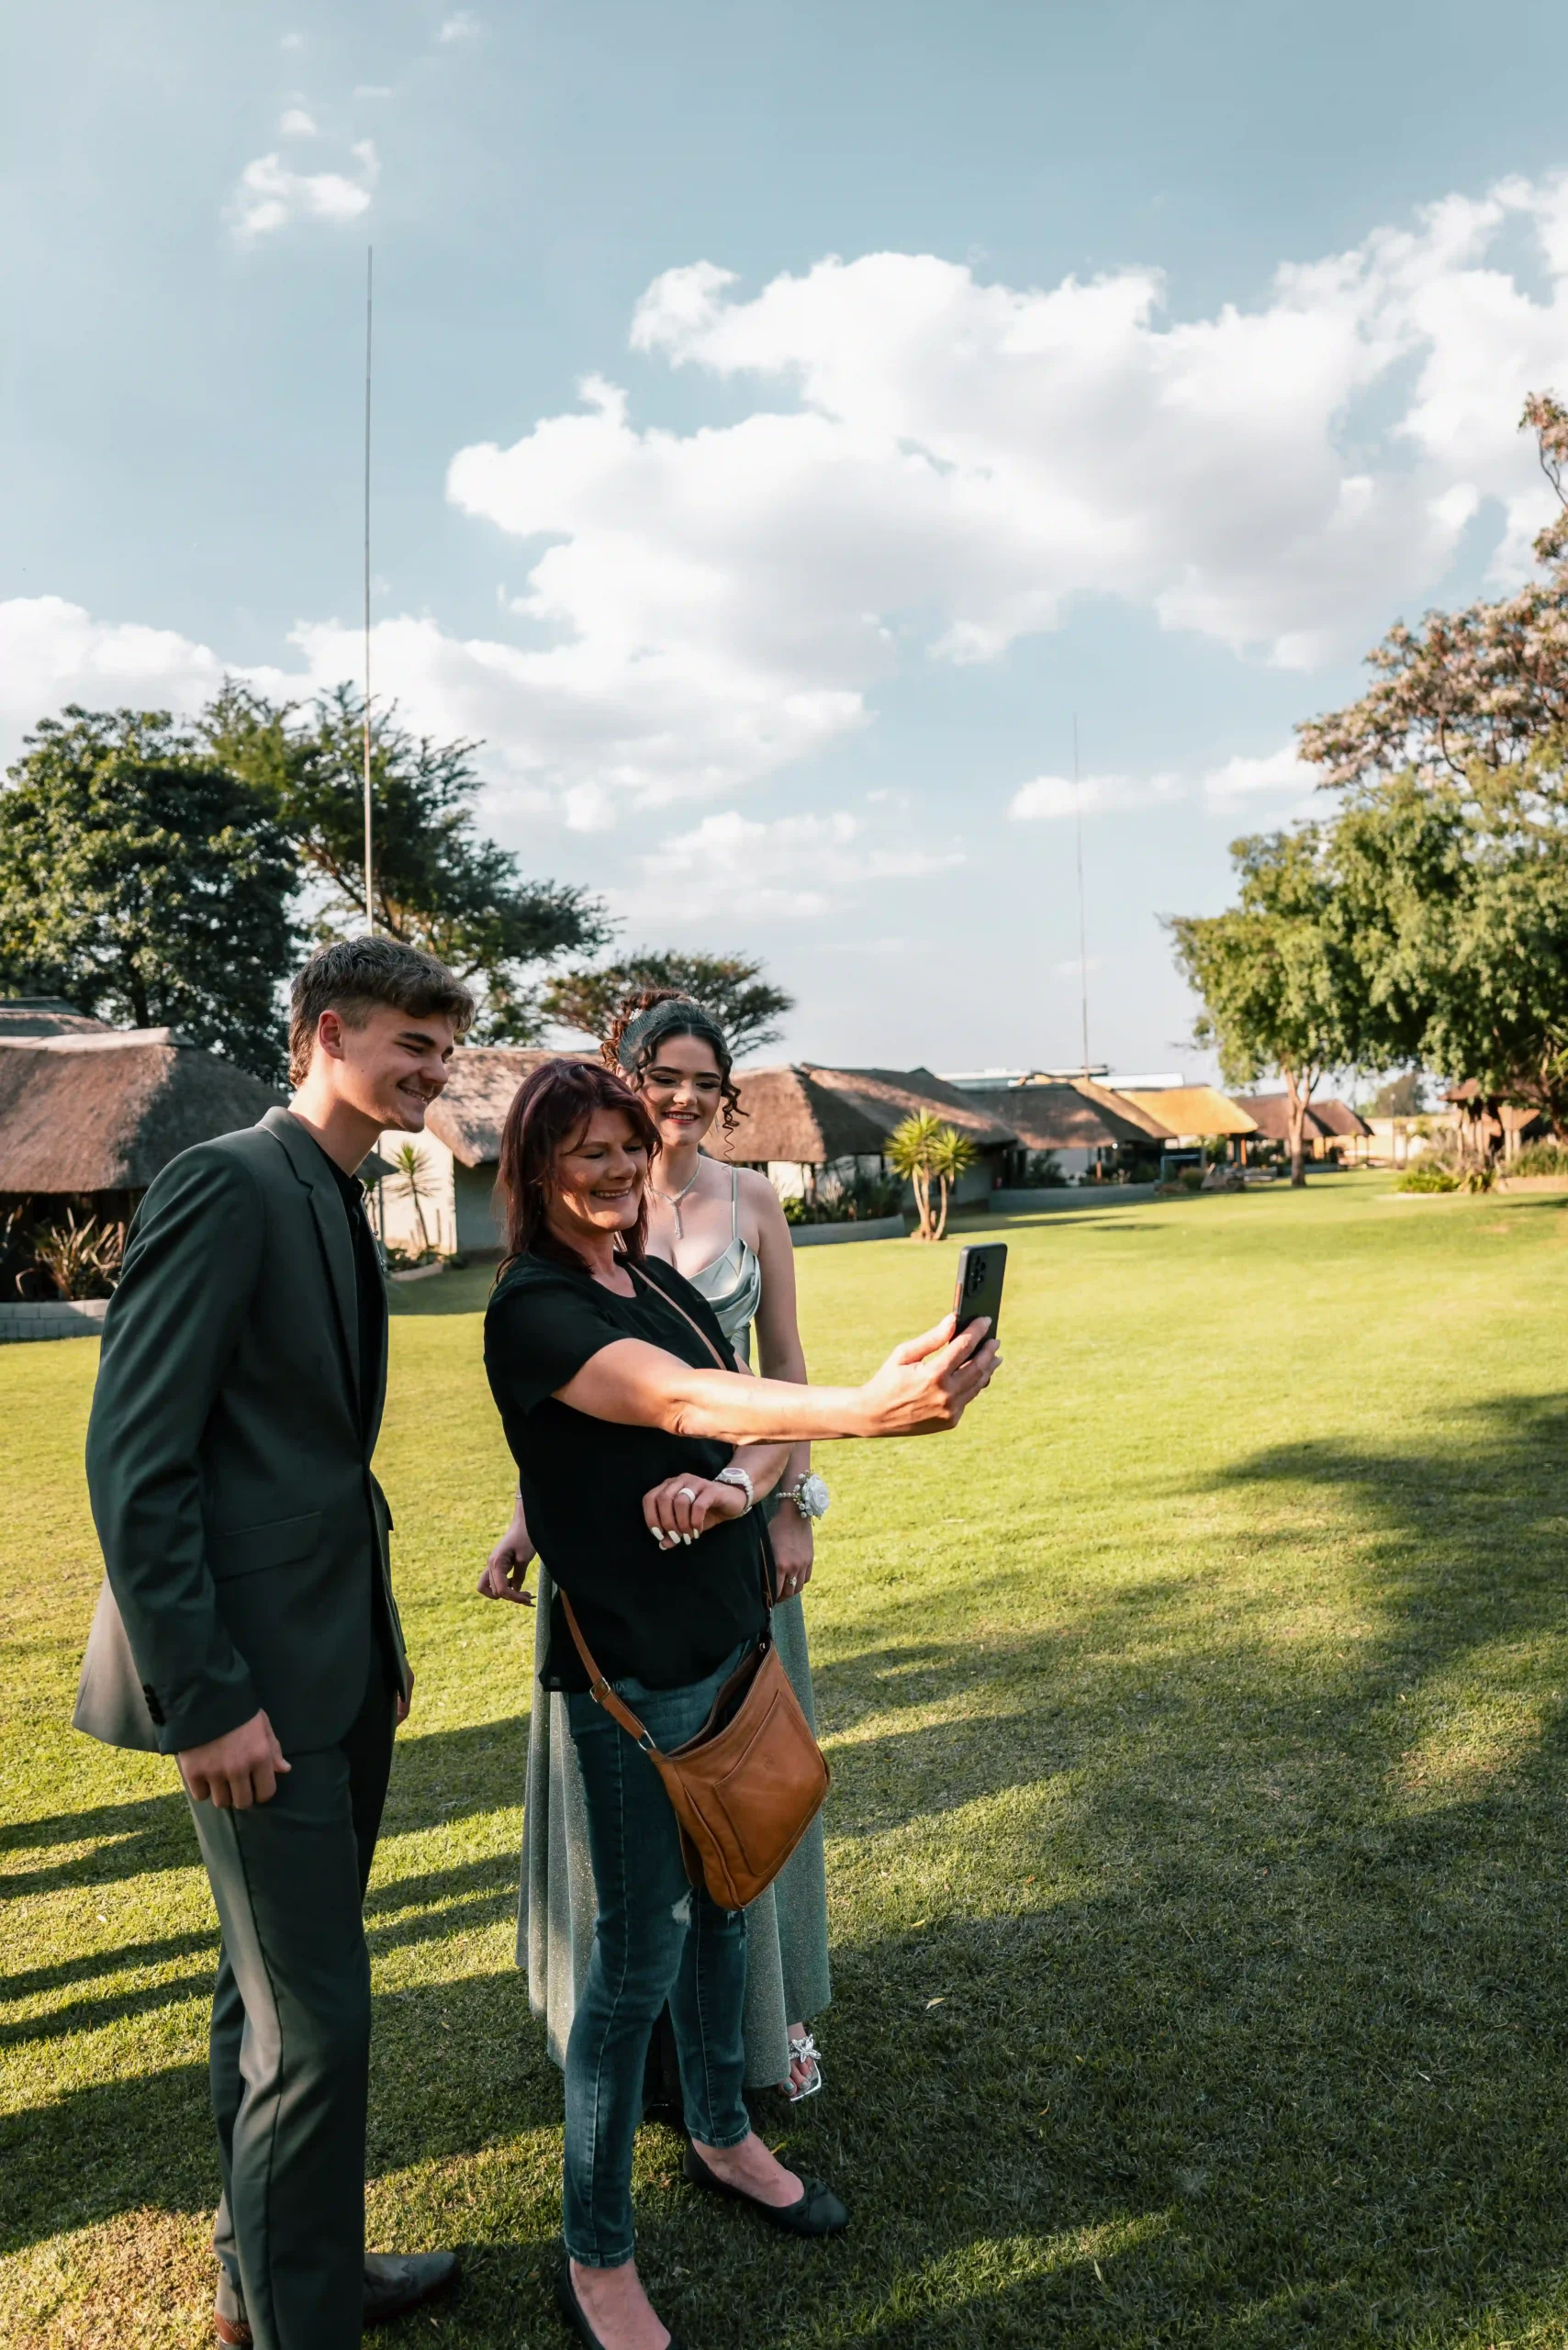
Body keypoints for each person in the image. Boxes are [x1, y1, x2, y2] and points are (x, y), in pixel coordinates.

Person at [481, 1057, 998, 2350]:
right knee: (634, 1968)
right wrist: (867, 1411)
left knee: (728, 1906)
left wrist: (735, 1488)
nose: (615, 1169)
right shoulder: (534, 1308)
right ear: (535, 1170)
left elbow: (746, 1425)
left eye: (624, 1145)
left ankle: (722, 2131)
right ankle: (596, 2257)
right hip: (633, 1682)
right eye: (586, 1152)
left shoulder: (647, 1277)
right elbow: (681, 1399)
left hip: (731, 1643)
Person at [75, 937, 470, 2350]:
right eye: (411, 1043)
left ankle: (274, 2279)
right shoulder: (229, 1181)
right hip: (247, 1694)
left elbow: (314, 1463)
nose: (433, 1071)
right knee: (314, 2024)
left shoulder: (335, 1192)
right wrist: (204, 1699)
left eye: (444, 1049)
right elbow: (137, 1464)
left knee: (274, 2007)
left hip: (332, 1667)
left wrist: (378, 1642)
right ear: (325, 1033)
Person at [487, 992, 830, 2104]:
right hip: (622, 1570)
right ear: (623, 1081)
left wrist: (785, 1499)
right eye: (662, 1079)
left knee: (742, 1794)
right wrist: (530, 1517)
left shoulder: (741, 1207)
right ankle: (643, 2054)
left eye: (704, 1083)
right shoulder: (563, 1258)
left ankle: (756, 2035)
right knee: (639, 1843)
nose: (683, 1100)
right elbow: (582, 1408)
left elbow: (771, 1372)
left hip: (732, 1523)